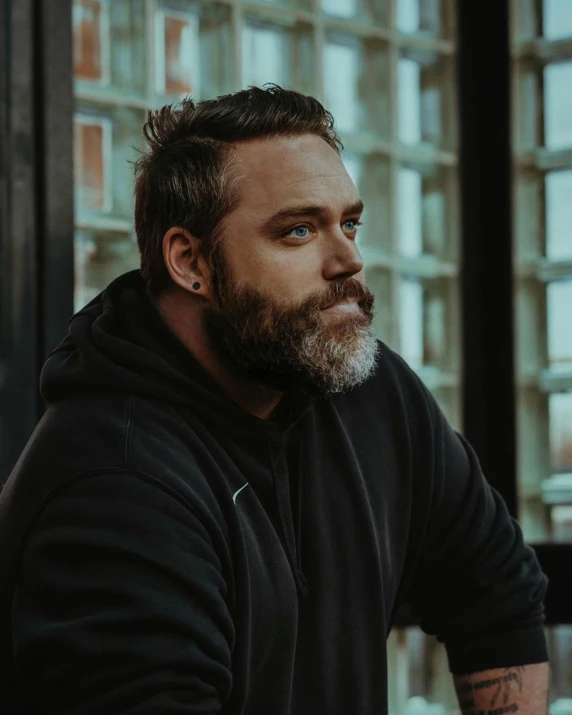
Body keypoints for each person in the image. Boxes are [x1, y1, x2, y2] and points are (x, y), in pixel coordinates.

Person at [0, 85, 549, 715]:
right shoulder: (115, 480)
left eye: (349, 223)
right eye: (297, 230)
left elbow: (496, 590)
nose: (349, 258)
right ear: (190, 261)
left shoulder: (370, 392)